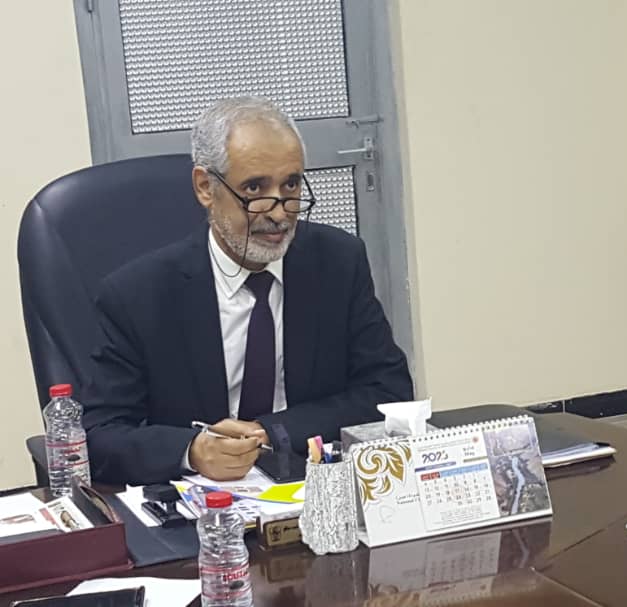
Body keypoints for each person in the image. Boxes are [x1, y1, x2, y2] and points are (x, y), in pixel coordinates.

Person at [83, 97, 414, 485]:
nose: (279, 212)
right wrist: (191, 451)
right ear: (205, 187)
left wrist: (271, 432)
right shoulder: (139, 295)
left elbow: (387, 391)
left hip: (310, 485)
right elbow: (99, 435)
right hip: (199, 500)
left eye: (291, 185)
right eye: (255, 188)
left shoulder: (338, 262)